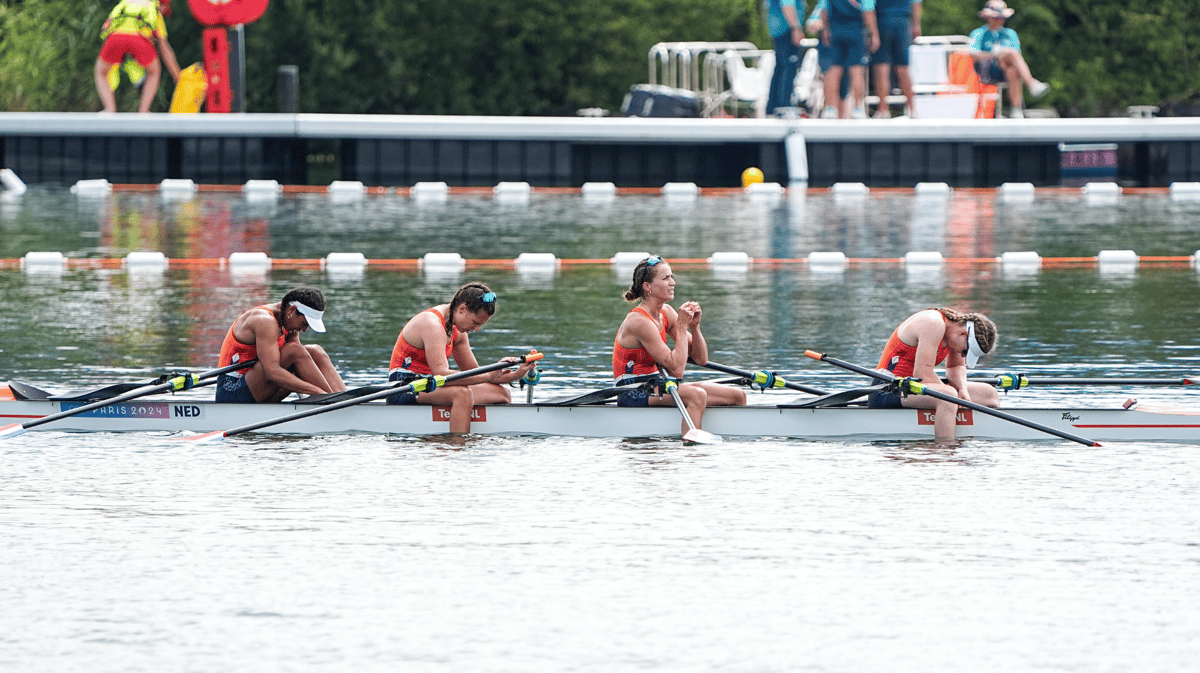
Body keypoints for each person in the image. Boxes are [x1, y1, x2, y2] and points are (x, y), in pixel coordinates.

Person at [612, 255, 746, 435]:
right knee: (697, 395)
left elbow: (701, 358)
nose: (672, 282)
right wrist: (682, 327)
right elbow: (676, 370)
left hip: (658, 385)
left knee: (738, 396)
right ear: (647, 286)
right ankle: (690, 447)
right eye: (665, 278)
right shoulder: (638, 321)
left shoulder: (666, 312)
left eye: (672, 277)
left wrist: (694, 327)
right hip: (633, 391)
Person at [387, 282, 536, 434]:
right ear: (462, 309)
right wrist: (487, 375)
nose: (477, 329)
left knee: (502, 394)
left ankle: (465, 428)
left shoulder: (458, 331)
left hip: (431, 384)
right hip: (404, 386)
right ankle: (457, 445)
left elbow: (474, 374)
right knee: (463, 394)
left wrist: (516, 374)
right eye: (475, 322)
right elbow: (441, 374)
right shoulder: (431, 324)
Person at [867, 308, 1000, 439]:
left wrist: (962, 390)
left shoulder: (954, 331)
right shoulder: (933, 323)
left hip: (912, 387)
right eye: (965, 352)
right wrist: (954, 396)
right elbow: (922, 374)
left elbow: (956, 366)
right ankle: (945, 450)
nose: (962, 355)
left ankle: (965, 430)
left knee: (989, 394)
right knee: (948, 396)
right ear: (963, 334)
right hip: (887, 388)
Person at [216, 287, 346, 403]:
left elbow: (301, 361)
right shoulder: (264, 320)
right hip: (232, 391)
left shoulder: (289, 321)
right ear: (292, 310)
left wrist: (312, 391)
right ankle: (331, 399)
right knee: (294, 350)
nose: (304, 329)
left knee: (315, 351)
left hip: (259, 388)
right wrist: (317, 391)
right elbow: (272, 372)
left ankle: (342, 397)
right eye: (305, 324)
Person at [94, 0, 181, 113]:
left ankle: (109, 109)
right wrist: (177, 76)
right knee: (154, 71)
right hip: (139, 40)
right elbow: (165, 50)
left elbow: (106, 27)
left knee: (101, 72)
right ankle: (143, 111)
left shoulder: (125, 2)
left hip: (115, 38)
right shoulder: (154, 9)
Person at [968, 0, 1049, 119]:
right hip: (985, 71)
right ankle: (1031, 84)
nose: (1000, 21)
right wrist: (994, 54)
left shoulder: (1009, 34)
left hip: (1005, 69)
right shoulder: (979, 33)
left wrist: (1003, 54)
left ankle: (1016, 110)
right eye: (996, 18)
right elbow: (973, 54)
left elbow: (1016, 56)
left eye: (1002, 18)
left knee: (1013, 70)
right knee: (1011, 53)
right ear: (988, 17)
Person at [820, 0, 880, 119]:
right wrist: (874, 34)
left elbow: (823, 10)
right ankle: (857, 108)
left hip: (836, 32)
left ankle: (830, 108)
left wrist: (826, 29)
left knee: (833, 71)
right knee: (856, 71)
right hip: (856, 33)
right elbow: (868, 12)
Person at [870, 0, 921, 118]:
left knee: (882, 67)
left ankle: (883, 110)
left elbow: (869, 7)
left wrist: (873, 32)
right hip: (903, 22)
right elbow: (916, 3)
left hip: (882, 20)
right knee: (903, 68)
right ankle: (912, 109)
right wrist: (916, 25)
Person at [765, 0, 806, 115]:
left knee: (780, 67)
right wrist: (795, 28)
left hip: (779, 30)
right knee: (788, 67)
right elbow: (787, 5)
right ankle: (783, 105)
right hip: (786, 30)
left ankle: (772, 106)